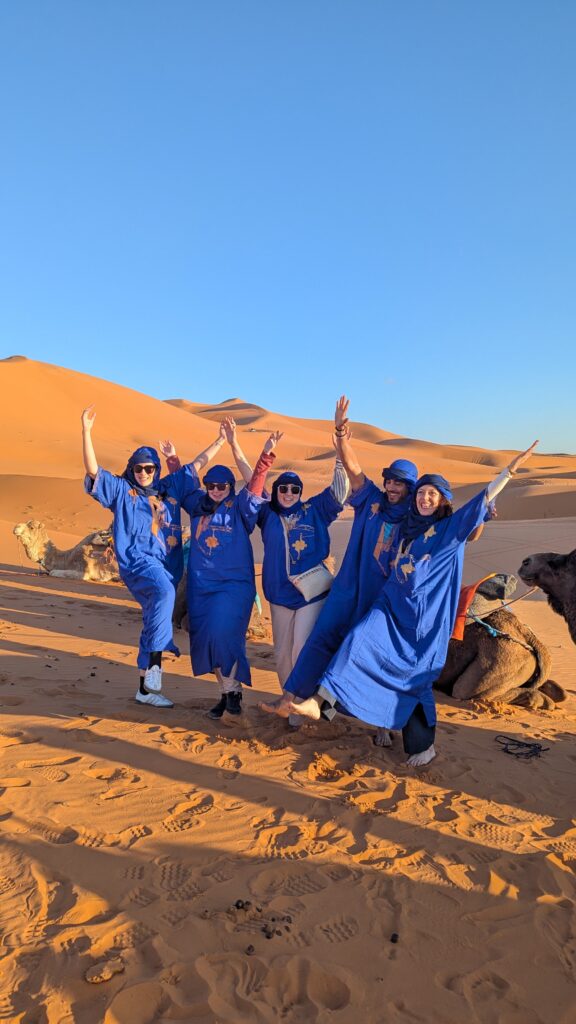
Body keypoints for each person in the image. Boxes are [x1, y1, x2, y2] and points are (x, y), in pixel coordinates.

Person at [261, 441, 538, 767]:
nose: (421, 497)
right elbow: (357, 475)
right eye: (420, 492)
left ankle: (421, 746)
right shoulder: (405, 520)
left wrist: (508, 473)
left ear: (439, 500)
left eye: (429, 494)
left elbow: (473, 517)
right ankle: (320, 703)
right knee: (355, 645)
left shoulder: (443, 529)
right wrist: (341, 438)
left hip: (424, 619)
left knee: (415, 679)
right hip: (388, 607)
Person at [279, 396, 418, 717]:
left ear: (410, 488)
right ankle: (292, 697)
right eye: (390, 480)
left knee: (362, 652)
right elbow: (354, 469)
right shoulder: (371, 499)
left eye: (399, 483)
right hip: (347, 588)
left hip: (379, 597)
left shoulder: (415, 518)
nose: (392, 486)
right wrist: (341, 434)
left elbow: (452, 530)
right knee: (321, 638)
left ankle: (354, 714)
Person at [82, 405, 227, 708]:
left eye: (149, 468)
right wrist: (86, 432)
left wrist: (220, 441)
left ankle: (145, 690)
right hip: (138, 563)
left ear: (157, 469)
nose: (144, 474)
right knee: (164, 593)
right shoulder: (122, 491)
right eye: (139, 469)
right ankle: (157, 667)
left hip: (167, 565)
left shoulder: (169, 488)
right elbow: (95, 472)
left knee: (154, 617)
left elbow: (196, 465)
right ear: (131, 470)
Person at [166, 429, 282, 718]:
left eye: (222, 486)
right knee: (206, 639)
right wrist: (172, 460)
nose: (216, 490)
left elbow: (256, 485)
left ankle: (232, 691)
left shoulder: (240, 506)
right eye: (211, 485)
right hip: (201, 585)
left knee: (223, 635)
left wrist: (263, 455)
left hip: (233, 585)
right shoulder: (197, 504)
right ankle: (229, 693)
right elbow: (182, 481)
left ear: (231, 486)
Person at [257, 441, 348, 716]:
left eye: (294, 489)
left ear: (300, 492)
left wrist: (340, 455)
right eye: (283, 488)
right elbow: (253, 487)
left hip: (311, 592)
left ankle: (303, 701)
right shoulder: (267, 514)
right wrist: (247, 450)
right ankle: (289, 701)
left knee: (301, 649)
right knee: (282, 654)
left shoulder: (314, 509)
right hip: (279, 593)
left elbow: (339, 492)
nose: (288, 493)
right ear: (276, 491)